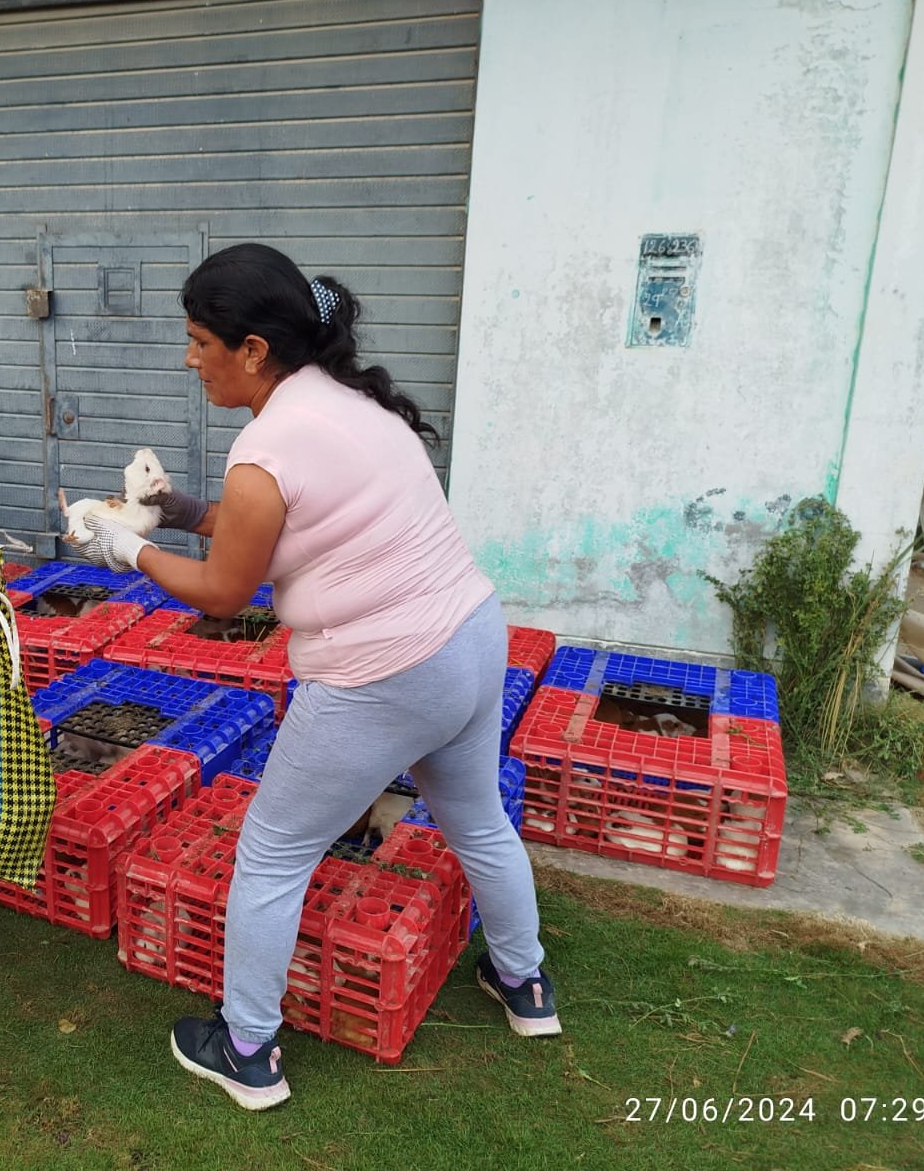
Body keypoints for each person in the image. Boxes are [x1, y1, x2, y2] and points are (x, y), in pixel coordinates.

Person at [76, 243, 561, 1109]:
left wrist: (130, 546)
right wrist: (179, 510)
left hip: (384, 674)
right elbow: (281, 524)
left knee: (271, 852)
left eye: (198, 342)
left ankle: (249, 1051)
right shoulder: (349, 405)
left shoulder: (267, 444)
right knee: (478, 823)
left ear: (253, 349)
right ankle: (526, 988)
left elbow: (227, 588)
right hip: (471, 641)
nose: (189, 360)